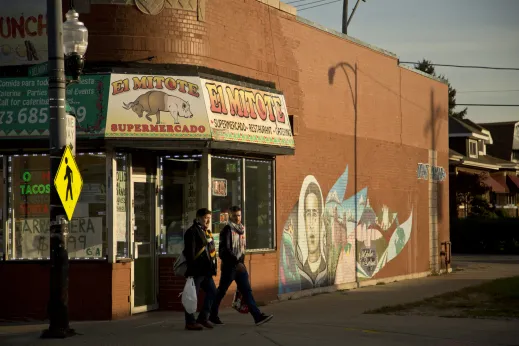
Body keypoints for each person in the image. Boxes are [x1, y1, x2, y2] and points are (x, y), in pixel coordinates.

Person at [210, 206, 273, 326]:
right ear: (230, 216)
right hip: (230, 267)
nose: (237, 218)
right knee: (222, 291)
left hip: (240, 266)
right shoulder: (227, 230)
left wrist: (241, 263)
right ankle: (212, 314)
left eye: (239, 215)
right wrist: (236, 263)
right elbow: (224, 251)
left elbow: (242, 249)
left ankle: (257, 316)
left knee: (247, 291)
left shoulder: (242, 229)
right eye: (234, 216)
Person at [183, 208, 218, 331]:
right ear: (198, 218)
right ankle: (190, 322)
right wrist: (191, 271)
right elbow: (190, 253)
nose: (207, 220)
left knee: (213, 292)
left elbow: (210, 251)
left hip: (206, 270)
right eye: (205, 218)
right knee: (192, 296)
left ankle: (203, 317)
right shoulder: (192, 232)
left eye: (209, 218)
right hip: (196, 271)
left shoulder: (206, 232)